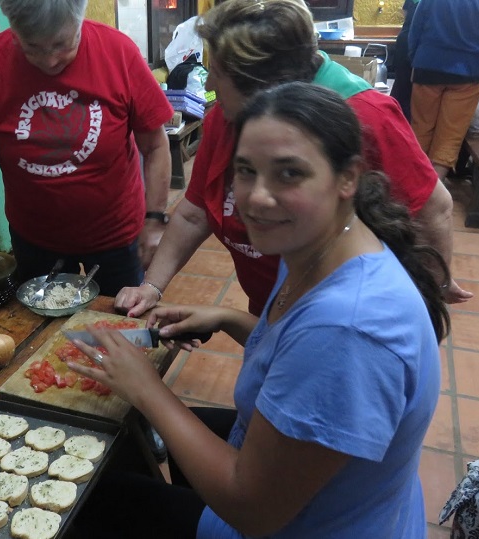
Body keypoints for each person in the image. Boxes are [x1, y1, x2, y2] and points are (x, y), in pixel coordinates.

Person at [71, 81, 448, 538]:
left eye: (289, 173)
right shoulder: (322, 245)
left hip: (300, 524)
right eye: (246, 171)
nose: (256, 197)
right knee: (133, 444)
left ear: (348, 177)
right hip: (322, 494)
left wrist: (147, 388)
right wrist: (231, 320)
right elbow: (301, 359)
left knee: (92, 499)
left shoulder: (348, 329)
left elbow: (253, 511)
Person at [115, 0, 470, 318]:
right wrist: (153, 287)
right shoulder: (227, 117)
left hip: (340, 314)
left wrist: (430, 292)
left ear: (261, 88)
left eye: (217, 74)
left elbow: (434, 207)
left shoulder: (367, 117)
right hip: (275, 306)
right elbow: (194, 213)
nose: (211, 83)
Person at [0, 0, 174, 295]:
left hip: (117, 237)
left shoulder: (119, 53)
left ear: (79, 21)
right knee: (43, 331)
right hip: (35, 241)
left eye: (62, 44)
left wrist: (155, 219)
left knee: (118, 329)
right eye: (32, 46)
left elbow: (156, 145)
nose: (49, 60)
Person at [408, 0, 479, 183]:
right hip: (468, 72)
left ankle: (413, 184)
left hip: (427, 67)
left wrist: (416, 59)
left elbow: (416, 27)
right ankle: (432, 191)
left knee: (420, 128)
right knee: (450, 135)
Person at [390, 0, 421, 120]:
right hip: (415, 44)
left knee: (401, 85)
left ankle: (394, 119)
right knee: (410, 90)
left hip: (405, 41)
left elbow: (405, 13)